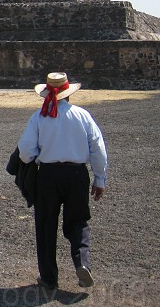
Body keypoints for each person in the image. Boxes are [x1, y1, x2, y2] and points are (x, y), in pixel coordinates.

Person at [17, 72, 108, 291]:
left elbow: (25, 151)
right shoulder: (82, 116)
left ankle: (49, 278)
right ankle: (82, 263)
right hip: (77, 175)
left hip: (48, 175)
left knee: (46, 224)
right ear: (68, 94)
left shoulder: (39, 117)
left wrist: (36, 157)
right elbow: (97, 148)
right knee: (77, 221)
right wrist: (100, 178)